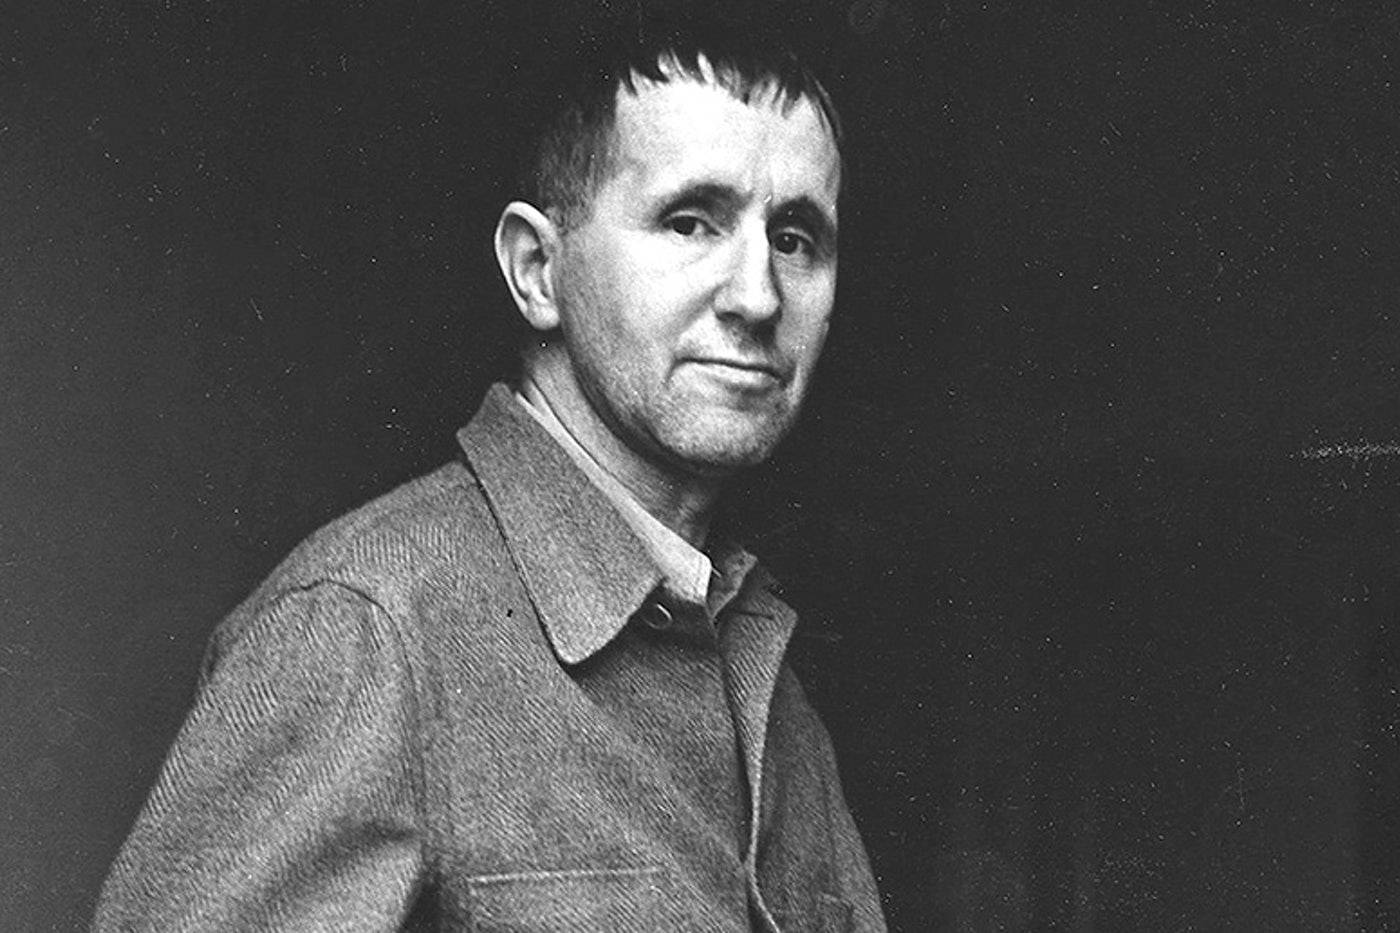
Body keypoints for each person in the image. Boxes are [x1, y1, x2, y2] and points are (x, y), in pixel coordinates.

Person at [94, 11, 886, 932]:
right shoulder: (364, 629)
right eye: (689, 222)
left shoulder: (768, 681)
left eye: (795, 238)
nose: (757, 295)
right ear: (537, 270)